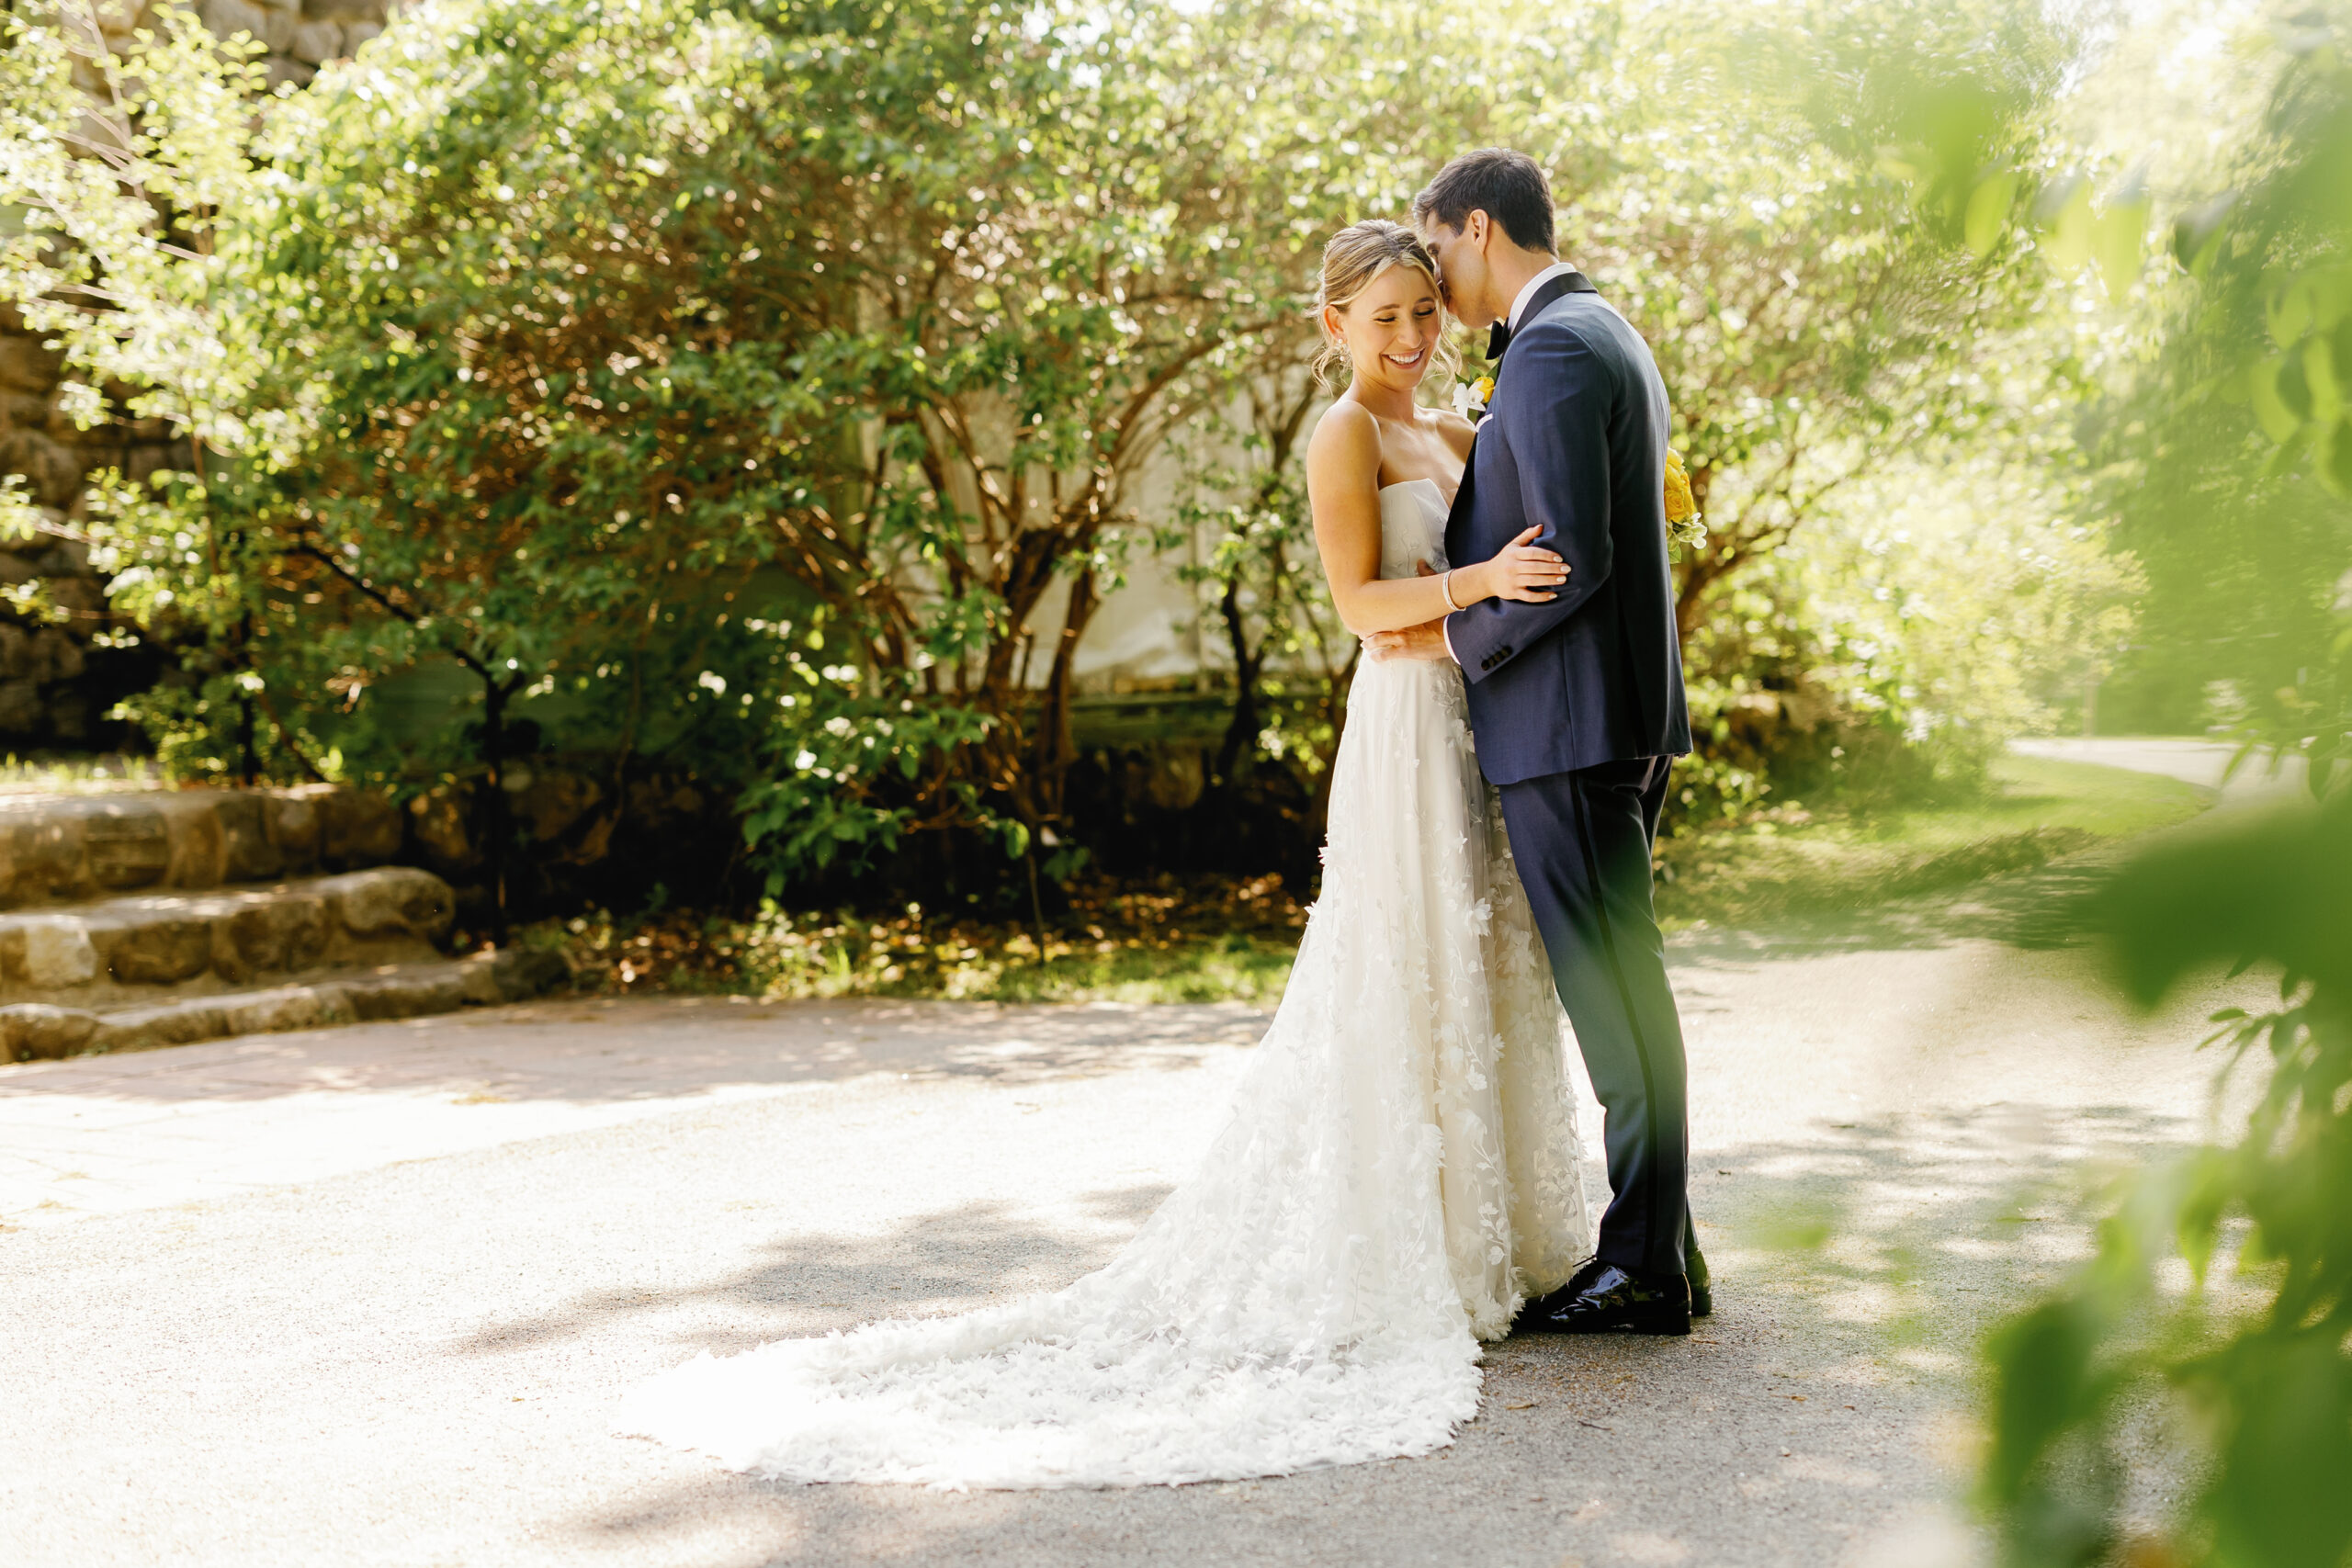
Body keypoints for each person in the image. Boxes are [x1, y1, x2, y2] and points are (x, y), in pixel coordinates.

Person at [616, 219, 1596, 1488]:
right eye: (1385, 318)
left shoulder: (1462, 431)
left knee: (1483, 965)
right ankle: (1412, 1255)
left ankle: (1495, 1241)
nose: (1412, 337)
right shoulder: (1343, 435)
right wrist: (1478, 586)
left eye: (1423, 312)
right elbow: (1361, 605)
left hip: (1475, 723)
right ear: (1336, 328)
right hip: (1404, 726)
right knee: (1403, 971)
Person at [1374, 147, 1708, 1333]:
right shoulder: (1599, 329)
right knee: (1624, 984)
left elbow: (1571, 553)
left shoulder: (1557, 346)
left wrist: (1456, 641)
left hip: (1569, 722)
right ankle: (1666, 1248)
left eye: (1436, 249)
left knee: (1615, 994)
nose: (1435, 282)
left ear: (1477, 227)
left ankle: (1645, 1270)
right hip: (1606, 712)